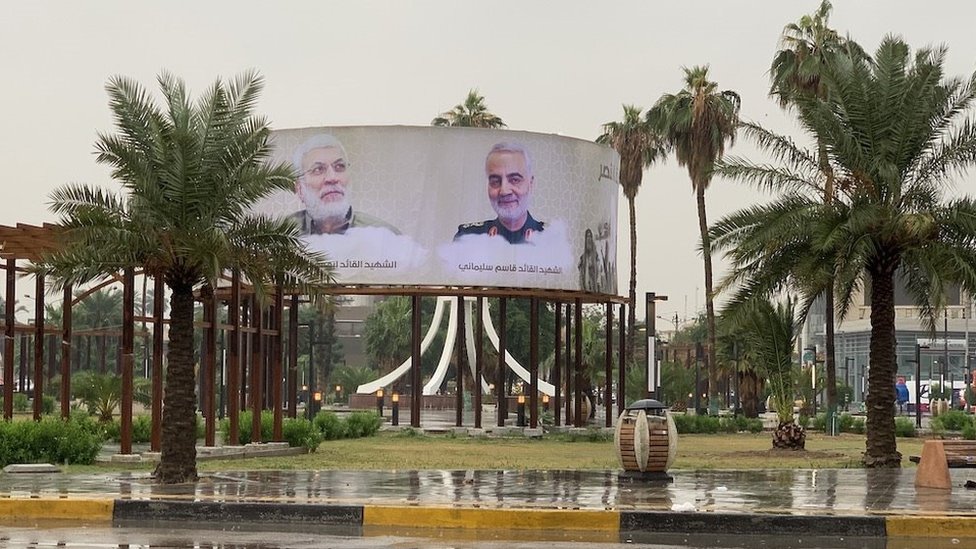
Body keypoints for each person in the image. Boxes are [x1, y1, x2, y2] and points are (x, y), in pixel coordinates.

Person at [291, 134, 399, 235]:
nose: (332, 178)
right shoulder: (281, 235)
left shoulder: (385, 236)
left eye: (339, 166)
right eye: (318, 169)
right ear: (300, 189)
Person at [454, 142, 545, 244]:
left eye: (515, 180)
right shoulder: (468, 238)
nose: (504, 191)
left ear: (530, 184)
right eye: (495, 181)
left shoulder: (551, 240)